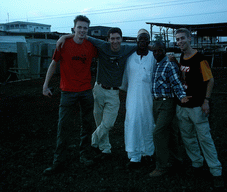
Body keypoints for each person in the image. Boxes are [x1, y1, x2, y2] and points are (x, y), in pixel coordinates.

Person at [57, 27, 137, 159]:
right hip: (98, 89)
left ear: (121, 39)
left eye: (117, 38)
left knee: (108, 124)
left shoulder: (127, 48)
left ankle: (92, 141)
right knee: (100, 123)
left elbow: (144, 45)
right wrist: (64, 37)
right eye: (112, 38)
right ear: (108, 39)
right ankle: (105, 148)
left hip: (114, 92)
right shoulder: (102, 45)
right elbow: (82, 35)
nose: (115, 41)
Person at [42, 15, 98, 175]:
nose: (82, 30)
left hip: (86, 91)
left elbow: (106, 51)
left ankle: (85, 155)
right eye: (79, 27)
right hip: (68, 92)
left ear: (88, 30)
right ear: (73, 28)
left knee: (87, 125)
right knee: (63, 126)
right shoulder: (63, 44)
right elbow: (53, 64)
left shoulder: (90, 46)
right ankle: (58, 162)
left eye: (85, 28)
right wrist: (45, 85)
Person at [175, 28, 224, 188]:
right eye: (177, 39)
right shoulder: (182, 56)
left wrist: (206, 101)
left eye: (182, 38)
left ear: (190, 38)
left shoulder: (200, 59)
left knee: (205, 139)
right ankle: (197, 163)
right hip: (183, 106)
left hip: (197, 106)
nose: (180, 42)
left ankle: (216, 171)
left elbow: (210, 81)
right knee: (188, 138)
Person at [149, 41, 191, 177]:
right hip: (157, 103)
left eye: (159, 50)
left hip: (167, 103)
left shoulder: (169, 64)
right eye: (154, 51)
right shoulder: (156, 65)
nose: (156, 53)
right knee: (171, 132)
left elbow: (176, 83)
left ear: (164, 50)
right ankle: (177, 161)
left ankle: (162, 166)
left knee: (158, 133)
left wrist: (182, 96)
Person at [120, 29, 155, 169]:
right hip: (133, 99)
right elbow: (125, 81)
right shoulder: (130, 58)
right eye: (140, 39)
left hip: (149, 99)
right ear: (136, 40)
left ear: (149, 41)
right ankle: (134, 156)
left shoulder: (154, 57)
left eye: (145, 39)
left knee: (148, 123)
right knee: (133, 124)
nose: (142, 41)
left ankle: (148, 153)